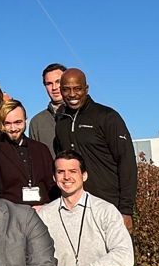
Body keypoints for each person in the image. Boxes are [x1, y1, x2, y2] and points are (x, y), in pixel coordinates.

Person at [54, 69, 138, 229]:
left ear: (86, 89)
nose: (72, 94)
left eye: (77, 88)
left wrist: (126, 210)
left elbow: (126, 162)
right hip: (76, 206)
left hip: (110, 205)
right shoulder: (61, 122)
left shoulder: (107, 116)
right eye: (66, 89)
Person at [0, 99, 56, 206]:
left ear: (25, 120)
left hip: (42, 211)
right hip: (12, 213)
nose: (13, 128)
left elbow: (51, 184)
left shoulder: (41, 149)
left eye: (18, 122)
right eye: (8, 123)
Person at [28, 63, 66, 149]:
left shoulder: (84, 114)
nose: (54, 87)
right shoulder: (37, 122)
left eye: (58, 82)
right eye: (49, 83)